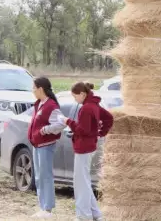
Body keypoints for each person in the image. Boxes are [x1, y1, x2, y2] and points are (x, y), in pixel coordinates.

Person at [66, 82, 113, 221]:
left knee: (81, 183)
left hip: (83, 148)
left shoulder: (86, 108)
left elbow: (82, 130)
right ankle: (96, 214)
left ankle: (83, 216)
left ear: (82, 94)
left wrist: (68, 121)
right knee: (84, 181)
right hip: (90, 146)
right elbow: (109, 118)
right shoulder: (94, 105)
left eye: (75, 97)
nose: (75, 100)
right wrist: (101, 133)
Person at [28, 76, 66, 218]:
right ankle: (42, 206)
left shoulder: (51, 106)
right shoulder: (39, 104)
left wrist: (46, 130)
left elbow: (61, 124)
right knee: (38, 176)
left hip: (45, 146)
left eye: (34, 88)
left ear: (40, 89)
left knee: (46, 176)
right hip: (37, 145)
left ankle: (48, 209)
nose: (32, 91)